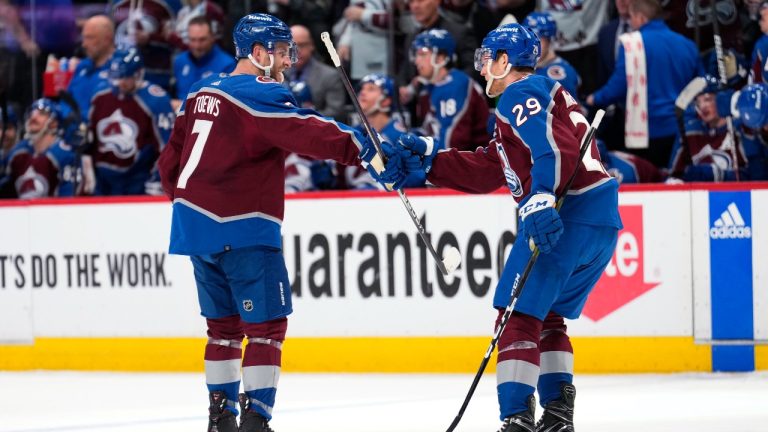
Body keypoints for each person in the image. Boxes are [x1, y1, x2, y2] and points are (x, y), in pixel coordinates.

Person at [156, 13, 404, 432]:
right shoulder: (258, 92)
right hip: (244, 226)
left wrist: (193, 206)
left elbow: (169, 167)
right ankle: (256, 420)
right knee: (267, 328)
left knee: (222, 329)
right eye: (282, 51)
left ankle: (221, 419)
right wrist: (365, 146)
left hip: (194, 228)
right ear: (258, 53)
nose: (288, 61)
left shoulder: (198, 93)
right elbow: (308, 131)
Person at [394, 23, 621, 432]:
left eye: (488, 59)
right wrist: (430, 160)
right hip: (600, 220)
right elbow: (490, 168)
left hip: (564, 214)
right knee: (547, 317)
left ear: (505, 61)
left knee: (515, 316)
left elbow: (552, 149)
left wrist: (541, 197)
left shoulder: (519, 92)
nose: (482, 69)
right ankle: (556, 417)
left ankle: (516, 419)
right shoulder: (534, 100)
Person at [587, 0, 702, 169]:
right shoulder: (687, 44)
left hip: (647, 132)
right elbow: (701, 85)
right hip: (682, 128)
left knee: (649, 183)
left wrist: (594, 98)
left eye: (632, 17)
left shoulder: (632, 44)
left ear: (641, 18)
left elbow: (619, 85)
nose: (631, 23)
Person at [85, 48, 174, 195]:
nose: (120, 83)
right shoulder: (99, 94)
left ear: (138, 74)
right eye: (117, 77)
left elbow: (168, 145)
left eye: (126, 78)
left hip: (137, 180)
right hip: (103, 180)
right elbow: (88, 136)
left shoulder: (156, 100)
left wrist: (159, 177)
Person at [410, 29, 490, 152]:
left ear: (441, 58)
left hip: (472, 163)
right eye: (416, 55)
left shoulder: (457, 85)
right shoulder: (427, 88)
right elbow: (429, 131)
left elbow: (452, 144)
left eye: (422, 54)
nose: (417, 61)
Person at [669, 74, 749, 182]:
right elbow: (673, 174)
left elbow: (753, 173)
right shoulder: (689, 132)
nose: (702, 106)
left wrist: (721, 175)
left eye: (708, 99)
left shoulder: (739, 128)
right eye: (698, 102)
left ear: (721, 99)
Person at [1, 99, 78, 199]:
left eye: (41, 113)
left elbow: (69, 199)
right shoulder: (18, 153)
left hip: (55, 212)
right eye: (32, 113)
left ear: (54, 123)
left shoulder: (64, 154)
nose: (34, 117)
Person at [284, 25, 347, 121]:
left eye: (302, 45)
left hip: (317, 130)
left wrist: (303, 119)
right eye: (292, 46)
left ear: (311, 45)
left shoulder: (330, 75)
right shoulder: (277, 73)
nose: (297, 50)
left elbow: (336, 112)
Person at [171, 16, 236, 106]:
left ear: (212, 38)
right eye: (192, 40)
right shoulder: (180, 61)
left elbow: (227, 104)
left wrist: (183, 105)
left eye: (202, 40)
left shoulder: (227, 65)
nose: (197, 46)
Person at [66, 15, 116, 121]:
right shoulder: (82, 67)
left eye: (90, 38)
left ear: (107, 39)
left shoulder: (120, 72)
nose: (84, 44)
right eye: (84, 37)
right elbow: (67, 100)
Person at [524, 11, 581, 101]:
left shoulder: (561, 74)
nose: (532, 46)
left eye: (538, 40)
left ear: (550, 40)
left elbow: (568, 113)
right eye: (527, 40)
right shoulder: (524, 65)